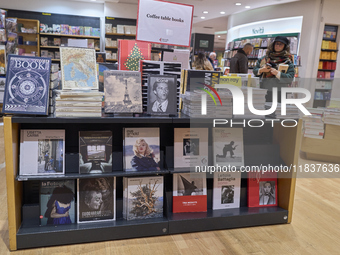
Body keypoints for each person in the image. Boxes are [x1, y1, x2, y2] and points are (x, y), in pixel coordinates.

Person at [253, 36, 295, 102]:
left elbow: (290, 78)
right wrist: (261, 70)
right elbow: (255, 71)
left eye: (280, 44)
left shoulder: (288, 61)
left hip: (279, 93)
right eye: (276, 43)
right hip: (264, 91)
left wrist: (277, 73)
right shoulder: (264, 59)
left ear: (285, 46)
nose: (278, 46)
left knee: (278, 111)